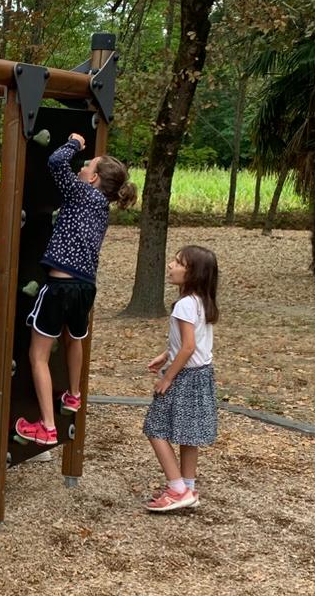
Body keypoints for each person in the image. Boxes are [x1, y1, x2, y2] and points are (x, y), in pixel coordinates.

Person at [13, 133, 136, 446]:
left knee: (37, 356)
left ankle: (47, 426)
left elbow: (56, 162)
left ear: (93, 178)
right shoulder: (103, 207)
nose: (80, 168)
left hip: (60, 287)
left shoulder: (82, 193)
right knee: (74, 338)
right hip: (85, 287)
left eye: (86, 166)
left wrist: (73, 144)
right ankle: (74, 395)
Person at [144, 245, 220, 513]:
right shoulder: (201, 302)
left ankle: (177, 489)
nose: (171, 266)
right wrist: (166, 354)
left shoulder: (184, 305)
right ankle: (188, 487)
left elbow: (188, 347)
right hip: (201, 375)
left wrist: (167, 378)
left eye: (178, 263)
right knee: (189, 435)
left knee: (155, 428)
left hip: (184, 377)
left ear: (193, 273)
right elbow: (191, 343)